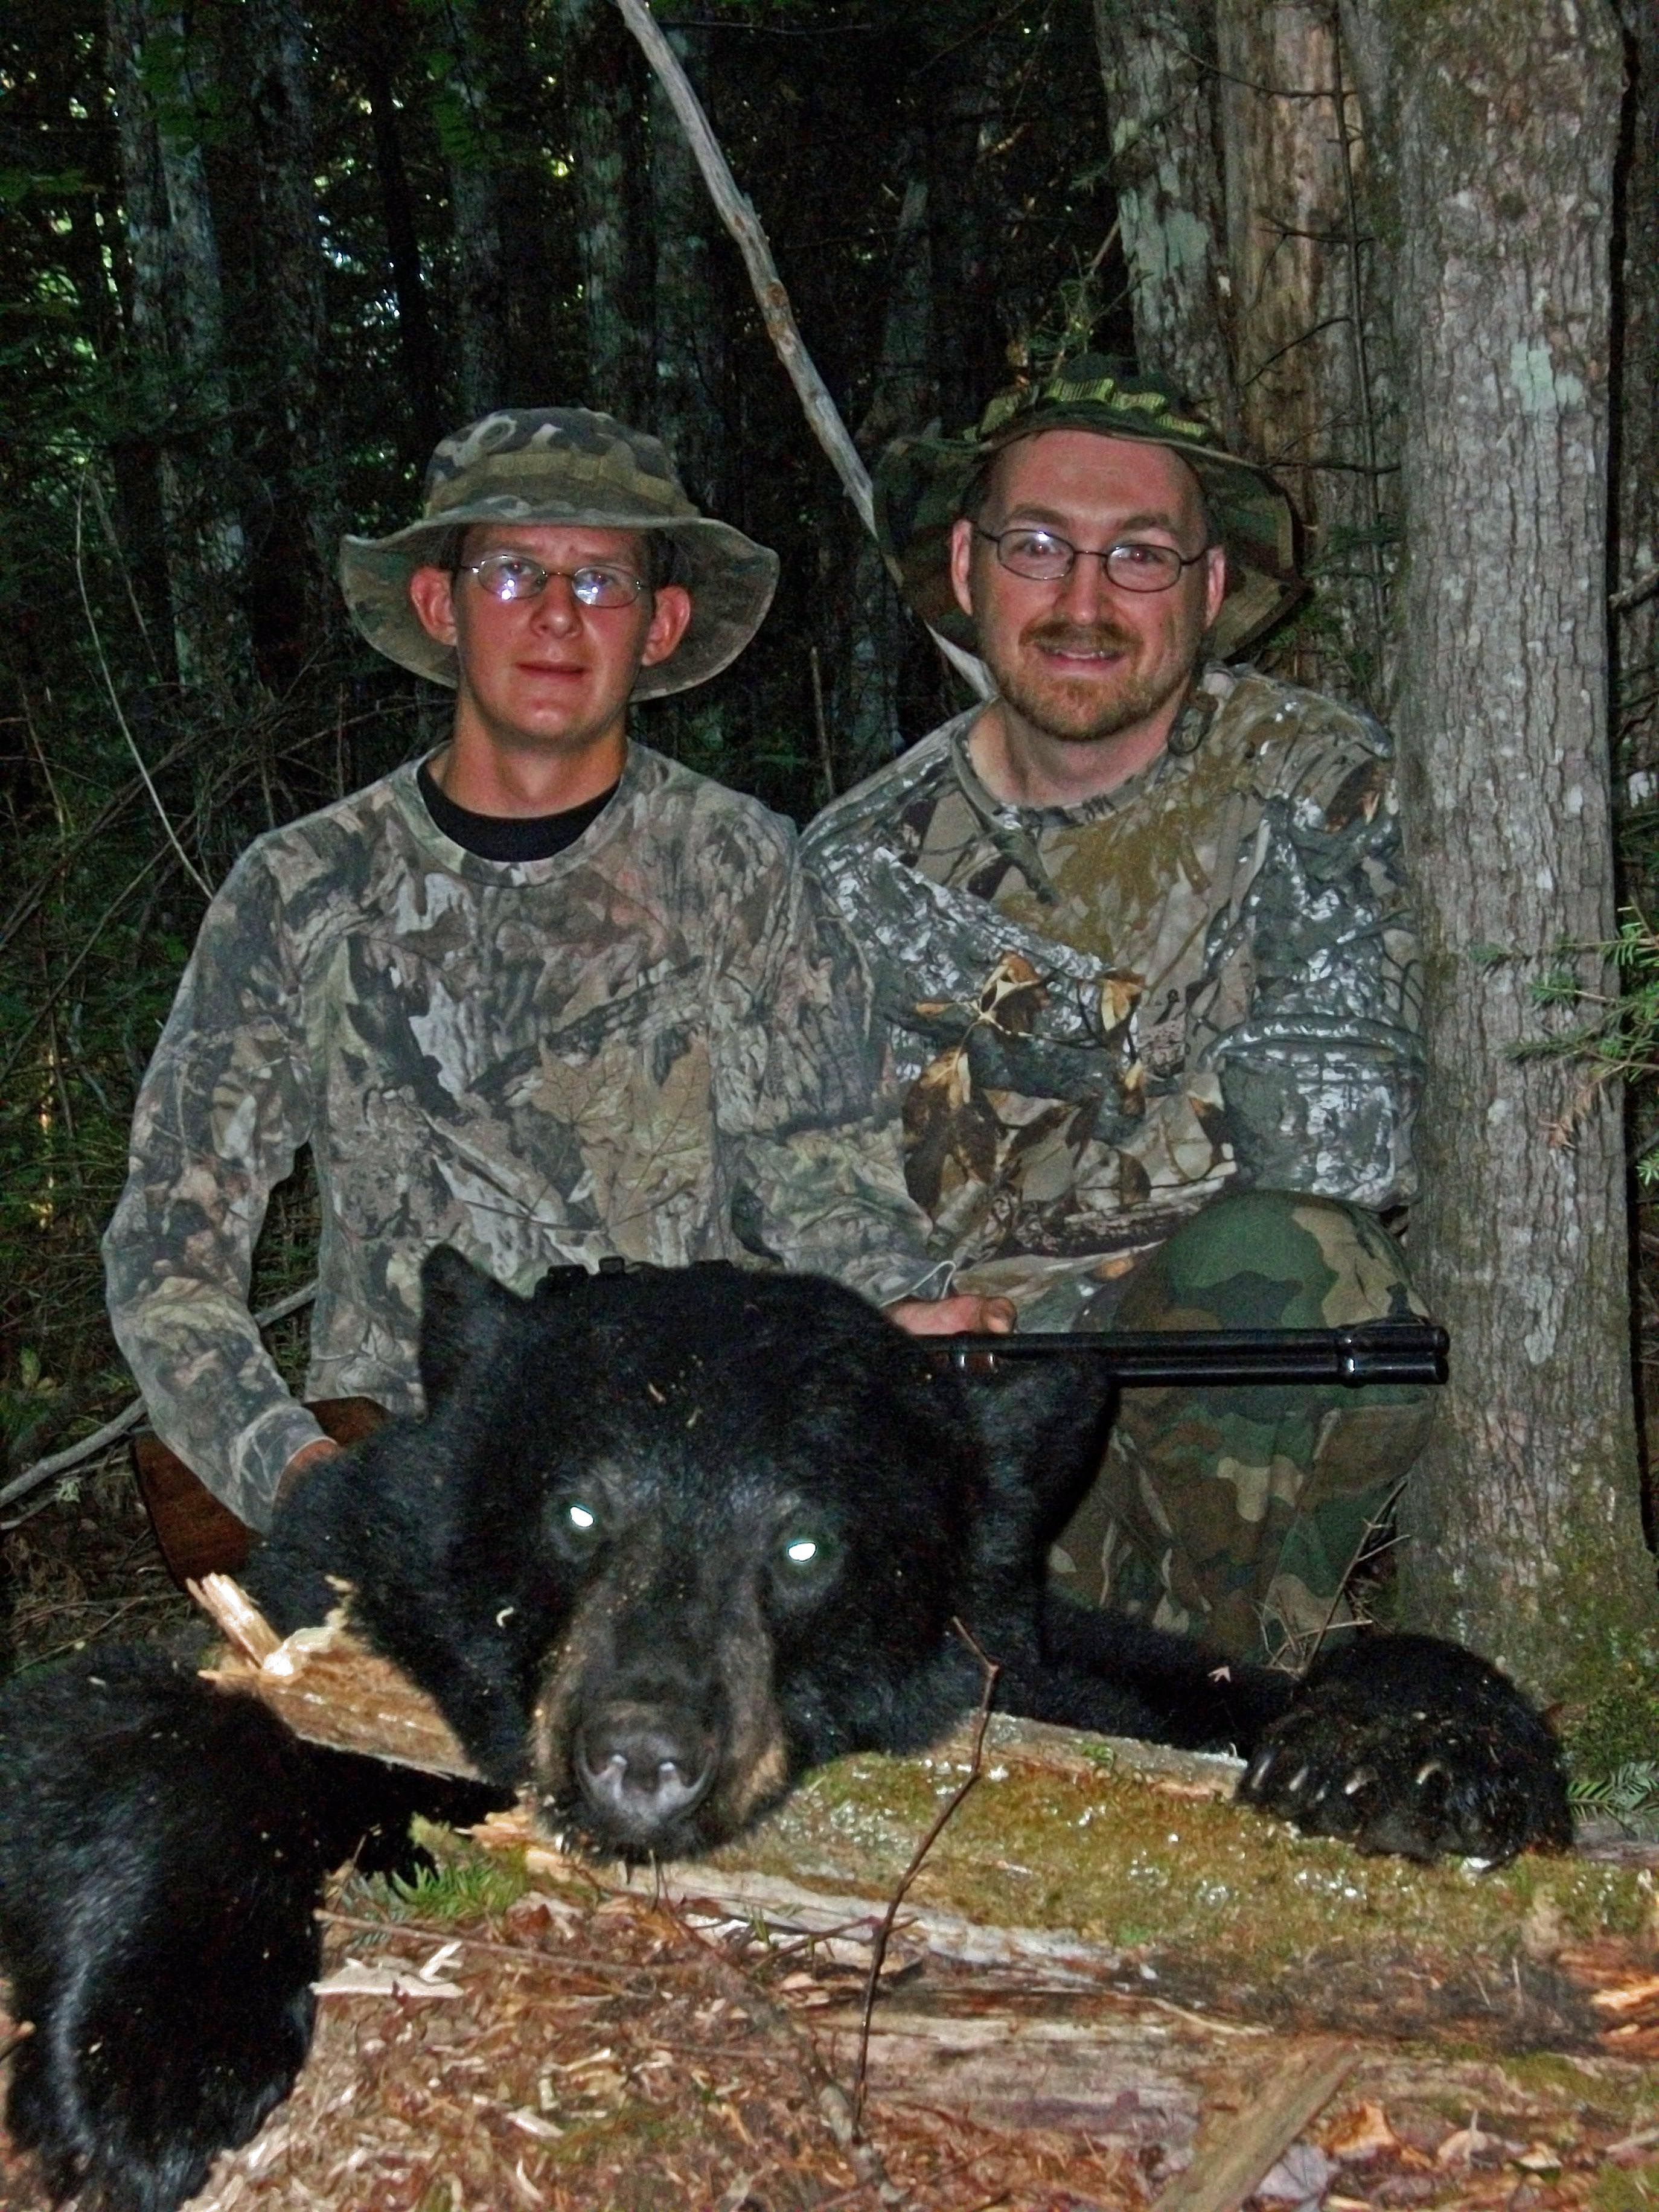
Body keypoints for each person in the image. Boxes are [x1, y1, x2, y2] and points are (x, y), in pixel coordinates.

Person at [104, 406, 989, 1533]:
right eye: (515, 573)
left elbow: (827, 1187)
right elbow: (166, 1250)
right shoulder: (303, 888)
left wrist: (898, 1317)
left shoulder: (739, 867)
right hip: (408, 1497)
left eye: (603, 581)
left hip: (685, 1487)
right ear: (442, 605)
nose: (559, 617)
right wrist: (298, 1476)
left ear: (662, 624)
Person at [804, 359, 1431, 1664]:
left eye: (1140, 556)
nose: (1084, 603)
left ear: (1209, 586)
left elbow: (1343, 1140)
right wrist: (883, 1317)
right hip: (957, 1415)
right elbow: (802, 1187)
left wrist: (1050, 1286)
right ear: (969, 568)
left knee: (1289, 1261)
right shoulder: (858, 867)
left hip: (1193, 1389)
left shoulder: (1311, 789)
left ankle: (1220, 1688)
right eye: (1040, 547)